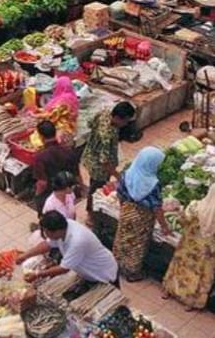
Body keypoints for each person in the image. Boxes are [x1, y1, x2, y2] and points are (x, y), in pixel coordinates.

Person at [113, 146, 172, 282]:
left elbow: (120, 193)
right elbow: (156, 208)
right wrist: (164, 226)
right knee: (137, 245)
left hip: (127, 211)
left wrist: (125, 209)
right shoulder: (152, 184)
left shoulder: (127, 174)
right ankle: (132, 273)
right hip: (142, 219)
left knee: (123, 238)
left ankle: (118, 262)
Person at [17, 211, 119, 286]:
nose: (45, 235)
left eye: (46, 232)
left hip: (102, 274)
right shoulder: (64, 226)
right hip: (87, 272)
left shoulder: (77, 241)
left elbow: (64, 268)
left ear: (55, 231)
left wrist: (37, 274)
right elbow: (48, 244)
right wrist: (25, 255)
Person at [162, 183, 215, 311]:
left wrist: (178, 210)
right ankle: (189, 302)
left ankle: (168, 291)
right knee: (199, 274)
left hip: (188, 246)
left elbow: (183, 221)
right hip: (207, 251)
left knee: (180, 267)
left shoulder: (195, 206)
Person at [81, 101, 136, 222]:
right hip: (98, 167)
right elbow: (104, 162)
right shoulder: (107, 134)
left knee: (94, 185)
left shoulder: (104, 113)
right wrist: (117, 175)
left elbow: (90, 124)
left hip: (90, 154)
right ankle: (91, 215)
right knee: (96, 189)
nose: (126, 124)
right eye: (125, 121)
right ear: (117, 118)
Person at [32, 120, 80, 218]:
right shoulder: (68, 151)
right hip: (67, 191)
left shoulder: (40, 157)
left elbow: (42, 182)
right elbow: (77, 174)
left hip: (49, 193)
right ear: (55, 132)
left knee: (49, 220)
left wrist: (37, 195)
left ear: (41, 137)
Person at [42, 76, 79, 144]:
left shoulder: (63, 99)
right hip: (71, 125)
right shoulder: (72, 95)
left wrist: (37, 115)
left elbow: (54, 114)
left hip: (62, 126)